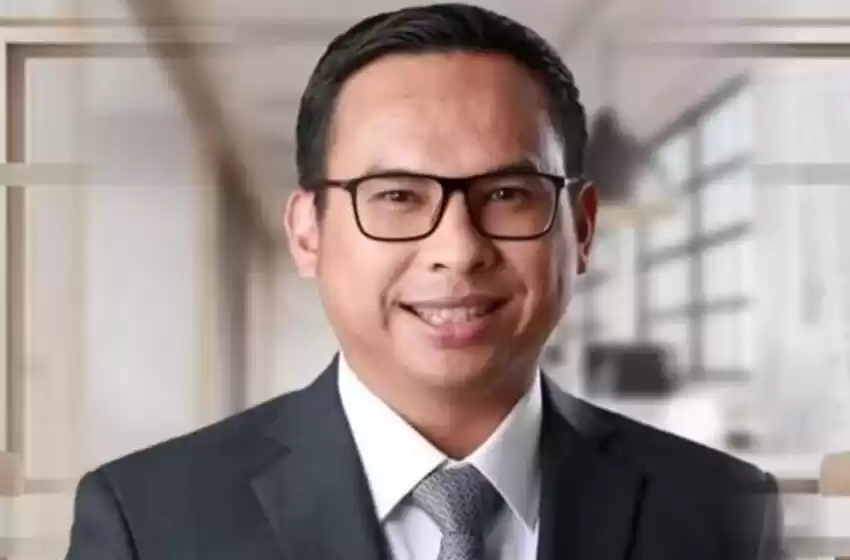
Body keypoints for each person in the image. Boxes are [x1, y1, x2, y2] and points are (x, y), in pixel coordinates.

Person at [65, 4, 784, 559]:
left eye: (507, 194)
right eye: (398, 196)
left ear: (582, 229)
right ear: (308, 232)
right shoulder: (148, 523)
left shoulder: (723, 512)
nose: (458, 250)